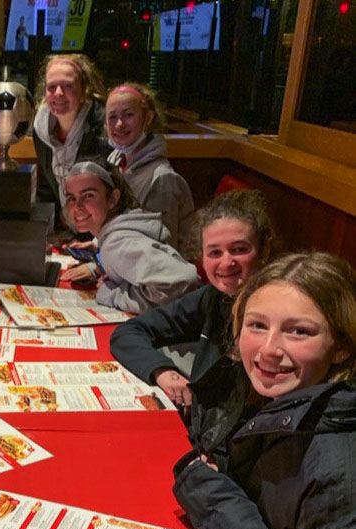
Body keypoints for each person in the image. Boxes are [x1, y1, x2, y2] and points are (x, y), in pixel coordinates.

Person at [172, 252, 356, 529]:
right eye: (257, 325)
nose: (269, 349)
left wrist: (215, 499)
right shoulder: (266, 389)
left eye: (299, 331)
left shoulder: (337, 468)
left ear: (342, 346)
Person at [110, 189, 275, 411]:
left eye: (239, 250)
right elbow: (128, 333)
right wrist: (163, 371)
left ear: (263, 250)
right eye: (214, 253)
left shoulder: (277, 311)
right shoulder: (213, 297)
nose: (226, 263)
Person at [61, 158, 197, 313]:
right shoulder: (113, 236)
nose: (78, 206)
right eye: (71, 198)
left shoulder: (116, 244)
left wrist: (112, 294)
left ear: (113, 198)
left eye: (89, 195)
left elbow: (183, 280)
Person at [105, 82, 194, 254]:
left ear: (148, 118)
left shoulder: (162, 179)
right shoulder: (115, 162)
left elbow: (162, 252)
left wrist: (99, 265)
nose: (119, 124)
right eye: (112, 117)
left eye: (129, 115)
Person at [32, 54, 109, 227]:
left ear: (84, 91)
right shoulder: (40, 130)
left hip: (103, 232)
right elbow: (46, 189)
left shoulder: (103, 128)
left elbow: (109, 193)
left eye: (68, 86)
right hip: (68, 230)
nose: (58, 93)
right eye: (52, 87)